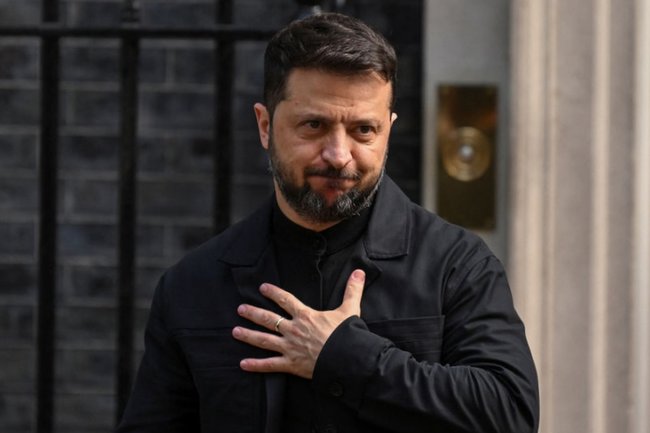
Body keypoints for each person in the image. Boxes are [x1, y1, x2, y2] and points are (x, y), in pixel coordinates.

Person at [117, 12, 539, 433]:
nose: (338, 155)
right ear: (265, 126)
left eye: (363, 130)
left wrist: (343, 356)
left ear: (388, 132)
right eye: (314, 125)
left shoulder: (455, 266)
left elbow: (510, 414)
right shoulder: (194, 284)